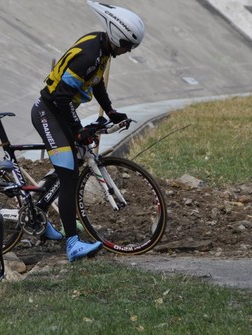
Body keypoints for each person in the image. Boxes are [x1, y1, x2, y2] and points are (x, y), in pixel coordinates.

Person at [31, 1, 145, 261]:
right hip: (48, 112)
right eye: (127, 45)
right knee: (69, 175)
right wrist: (78, 130)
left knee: (70, 163)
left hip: (59, 111)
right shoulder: (89, 55)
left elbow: (97, 85)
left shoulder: (101, 49)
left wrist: (111, 111)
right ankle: (72, 245)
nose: (127, 51)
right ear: (117, 36)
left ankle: (40, 208)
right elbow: (61, 99)